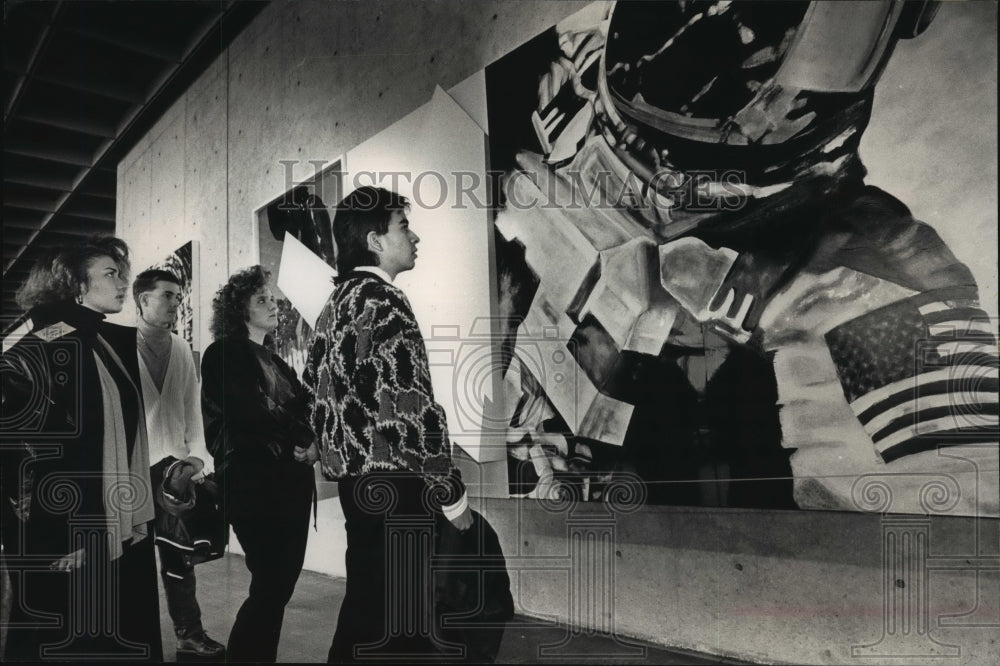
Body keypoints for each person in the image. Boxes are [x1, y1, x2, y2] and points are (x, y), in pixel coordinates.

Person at [305, 186, 473, 662]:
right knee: (402, 625)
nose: (414, 236)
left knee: (366, 609)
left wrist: (324, 447)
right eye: (404, 225)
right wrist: (451, 490)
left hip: (358, 488)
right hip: (399, 484)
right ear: (375, 240)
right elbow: (410, 407)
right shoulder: (385, 301)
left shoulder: (334, 304)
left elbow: (312, 391)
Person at [1, 237, 162, 661]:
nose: (122, 282)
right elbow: (21, 456)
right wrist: (58, 535)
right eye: (110, 273)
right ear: (74, 284)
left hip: (112, 521)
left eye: (121, 272)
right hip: (68, 532)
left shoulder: (102, 342)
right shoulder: (43, 349)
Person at [200, 265, 317, 662]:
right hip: (255, 486)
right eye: (262, 298)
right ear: (239, 309)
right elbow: (248, 413)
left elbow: (304, 410)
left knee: (277, 587)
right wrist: (298, 443)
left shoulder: (276, 360)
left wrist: (310, 443)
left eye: (273, 298)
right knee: (271, 585)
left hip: (290, 485)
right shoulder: (224, 352)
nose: (274, 304)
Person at [131, 269, 225, 658]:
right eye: (167, 295)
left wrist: (196, 460)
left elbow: (193, 412)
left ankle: (189, 633)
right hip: (132, 469)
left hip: (174, 471)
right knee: (132, 561)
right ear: (142, 301)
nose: (176, 303)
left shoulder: (183, 349)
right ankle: (133, 638)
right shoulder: (118, 346)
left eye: (178, 295)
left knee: (178, 559)